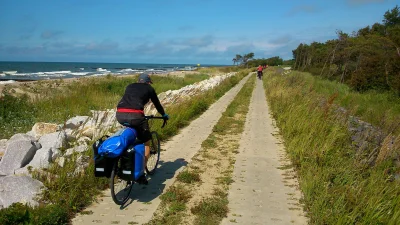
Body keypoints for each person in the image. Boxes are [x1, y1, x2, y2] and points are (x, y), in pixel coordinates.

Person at [116, 73, 169, 184]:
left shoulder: (130, 86)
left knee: (129, 137)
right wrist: (163, 115)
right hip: (136, 117)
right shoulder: (149, 88)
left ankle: (122, 164)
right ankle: (141, 173)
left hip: (120, 114)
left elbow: (130, 100)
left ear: (138, 80)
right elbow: (157, 104)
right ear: (148, 82)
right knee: (146, 144)